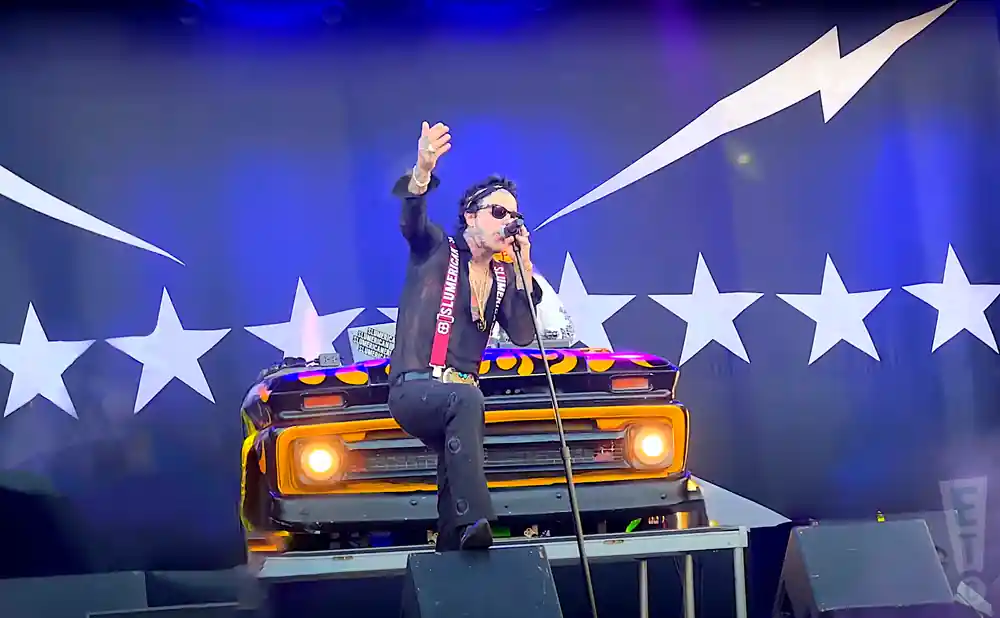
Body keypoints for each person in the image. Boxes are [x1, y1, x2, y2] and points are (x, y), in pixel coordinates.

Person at [387, 121, 543, 551]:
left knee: (451, 477)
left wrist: (522, 265)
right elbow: (412, 222)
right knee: (468, 399)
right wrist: (422, 169)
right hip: (416, 389)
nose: (507, 223)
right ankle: (477, 519)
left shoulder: (500, 274)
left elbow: (525, 334)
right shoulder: (438, 249)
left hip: (456, 404)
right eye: (498, 213)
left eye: (515, 216)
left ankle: (452, 546)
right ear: (471, 216)